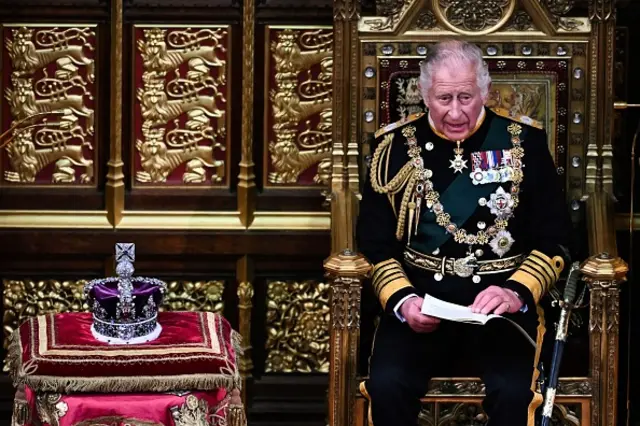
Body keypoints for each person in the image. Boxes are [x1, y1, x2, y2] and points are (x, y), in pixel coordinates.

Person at [356, 40, 572, 426]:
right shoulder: (392, 149)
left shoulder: (525, 144)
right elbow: (374, 242)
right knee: (387, 385)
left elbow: (556, 238)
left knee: (512, 391)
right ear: (423, 94)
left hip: (498, 310)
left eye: (466, 97)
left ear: (486, 91)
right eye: (443, 98)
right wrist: (403, 300)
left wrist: (515, 292)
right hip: (420, 301)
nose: (455, 111)